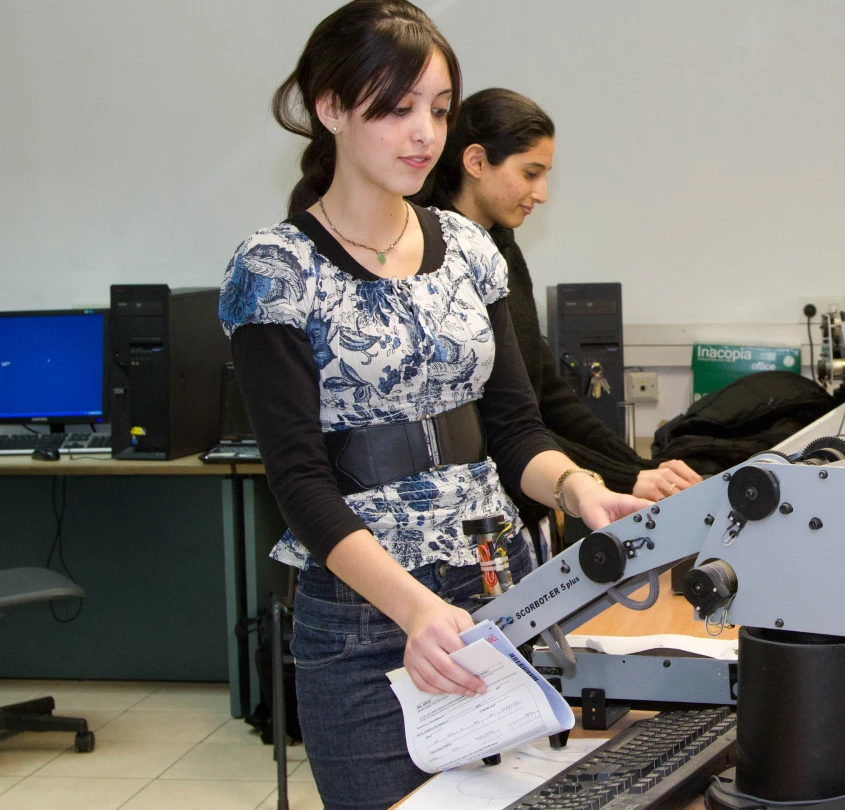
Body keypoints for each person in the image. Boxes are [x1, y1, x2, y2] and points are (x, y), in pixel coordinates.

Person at [217, 3, 649, 808]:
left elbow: (515, 428)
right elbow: (301, 482)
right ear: (332, 109)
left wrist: (578, 488)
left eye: (440, 109)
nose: (425, 133)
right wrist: (417, 612)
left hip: (494, 587)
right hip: (366, 616)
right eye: (396, 108)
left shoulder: (469, 248)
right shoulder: (274, 269)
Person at [421, 87, 702, 528]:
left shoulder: (503, 252)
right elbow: (495, 424)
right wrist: (625, 477)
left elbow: (544, 393)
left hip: (527, 508)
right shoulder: (431, 263)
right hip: (469, 517)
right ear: (475, 163)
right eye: (531, 173)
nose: (543, 192)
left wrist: (639, 470)